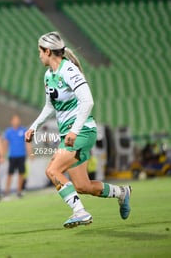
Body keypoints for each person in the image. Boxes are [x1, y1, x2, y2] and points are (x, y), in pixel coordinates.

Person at [25, 32, 131, 228]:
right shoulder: (49, 75)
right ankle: (122, 192)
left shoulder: (69, 71)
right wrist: (34, 126)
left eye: (40, 51)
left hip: (82, 132)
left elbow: (88, 101)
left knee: (52, 170)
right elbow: (50, 106)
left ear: (48, 51)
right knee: (83, 186)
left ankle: (80, 212)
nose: (38, 55)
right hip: (72, 135)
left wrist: (74, 130)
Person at [3, 114, 31, 198]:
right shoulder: (8, 132)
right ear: (11, 121)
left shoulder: (23, 130)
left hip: (21, 155)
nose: (16, 121)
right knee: (10, 174)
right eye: (15, 120)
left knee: (21, 174)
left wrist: (30, 153)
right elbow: (5, 144)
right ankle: (6, 192)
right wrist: (2, 155)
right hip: (12, 156)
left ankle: (19, 191)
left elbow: (27, 143)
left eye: (18, 120)